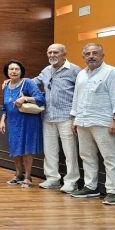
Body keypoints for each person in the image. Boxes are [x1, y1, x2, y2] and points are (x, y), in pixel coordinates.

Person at [70, 43, 115, 205]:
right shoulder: (81, 74)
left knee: (109, 157)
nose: (91, 56)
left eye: (95, 53)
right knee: (86, 156)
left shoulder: (112, 72)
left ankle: (112, 191)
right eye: (88, 54)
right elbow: (76, 98)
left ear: (102, 55)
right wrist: (74, 119)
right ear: (83, 57)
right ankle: (90, 187)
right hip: (83, 121)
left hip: (104, 122)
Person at [31, 44, 81, 193]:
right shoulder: (46, 70)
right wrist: (13, 82)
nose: (52, 55)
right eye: (49, 52)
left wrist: (76, 116)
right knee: (50, 151)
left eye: (56, 52)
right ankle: (52, 179)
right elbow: (33, 82)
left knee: (70, 152)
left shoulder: (74, 70)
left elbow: (81, 93)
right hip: (48, 116)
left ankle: (71, 182)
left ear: (64, 54)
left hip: (67, 117)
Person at [0, 60, 45, 188]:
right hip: (13, 122)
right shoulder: (6, 86)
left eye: (17, 69)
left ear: (21, 71)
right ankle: (18, 175)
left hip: (28, 122)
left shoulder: (28, 82)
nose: (14, 71)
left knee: (26, 149)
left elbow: (41, 99)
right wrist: (2, 121)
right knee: (15, 148)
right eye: (11, 69)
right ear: (7, 72)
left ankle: (28, 177)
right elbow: (4, 107)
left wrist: (25, 98)